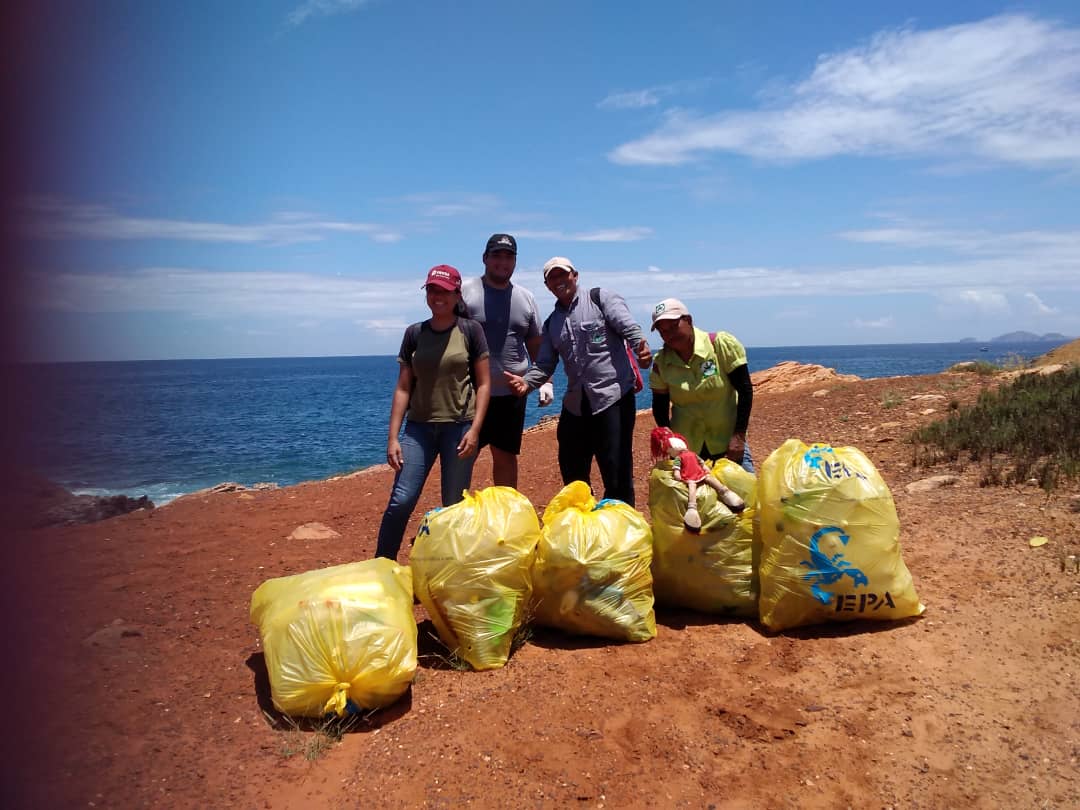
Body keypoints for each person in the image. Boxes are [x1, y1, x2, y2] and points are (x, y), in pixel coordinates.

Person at [504, 256, 651, 507]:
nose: (559, 281)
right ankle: (584, 524)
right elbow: (545, 364)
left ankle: (622, 530)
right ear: (547, 285)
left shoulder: (600, 299)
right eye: (553, 278)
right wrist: (527, 383)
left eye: (563, 275)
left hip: (612, 398)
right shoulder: (552, 324)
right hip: (576, 403)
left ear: (575, 275)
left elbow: (628, 327)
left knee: (617, 471)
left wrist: (641, 346)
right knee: (572, 471)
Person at [374, 264, 491, 560]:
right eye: (432, 290)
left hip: (459, 428)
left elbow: (484, 383)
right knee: (401, 500)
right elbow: (403, 387)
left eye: (444, 291)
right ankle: (381, 567)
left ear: (456, 294)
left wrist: (476, 430)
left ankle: (448, 572)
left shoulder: (470, 330)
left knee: (453, 505)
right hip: (419, 429)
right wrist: (392, 437)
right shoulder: (414, 333)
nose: (437, 296)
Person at [460, 233, 554, 489]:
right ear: (485, 258)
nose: (502, 262)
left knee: (506, 456)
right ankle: (457, 515)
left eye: (508, 257)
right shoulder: (465, 292)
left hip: (512, 393)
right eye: (496, 256)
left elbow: (535, 343)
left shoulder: (526, 297)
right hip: (470, 392)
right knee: (463, 455)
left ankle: (507, 516)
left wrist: (545, 382)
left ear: (515, 262)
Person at [649, 297, 755, 473]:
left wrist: (739, 436)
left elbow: (745, 390)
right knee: (694, 499)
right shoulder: (661, 363)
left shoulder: (720, 345)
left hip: (728, 443)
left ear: (688, 320)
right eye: (663, 331)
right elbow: (660, 405)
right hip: (688, 450)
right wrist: (670, 439)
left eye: (673, 326)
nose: (669, 335)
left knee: (742, 497)